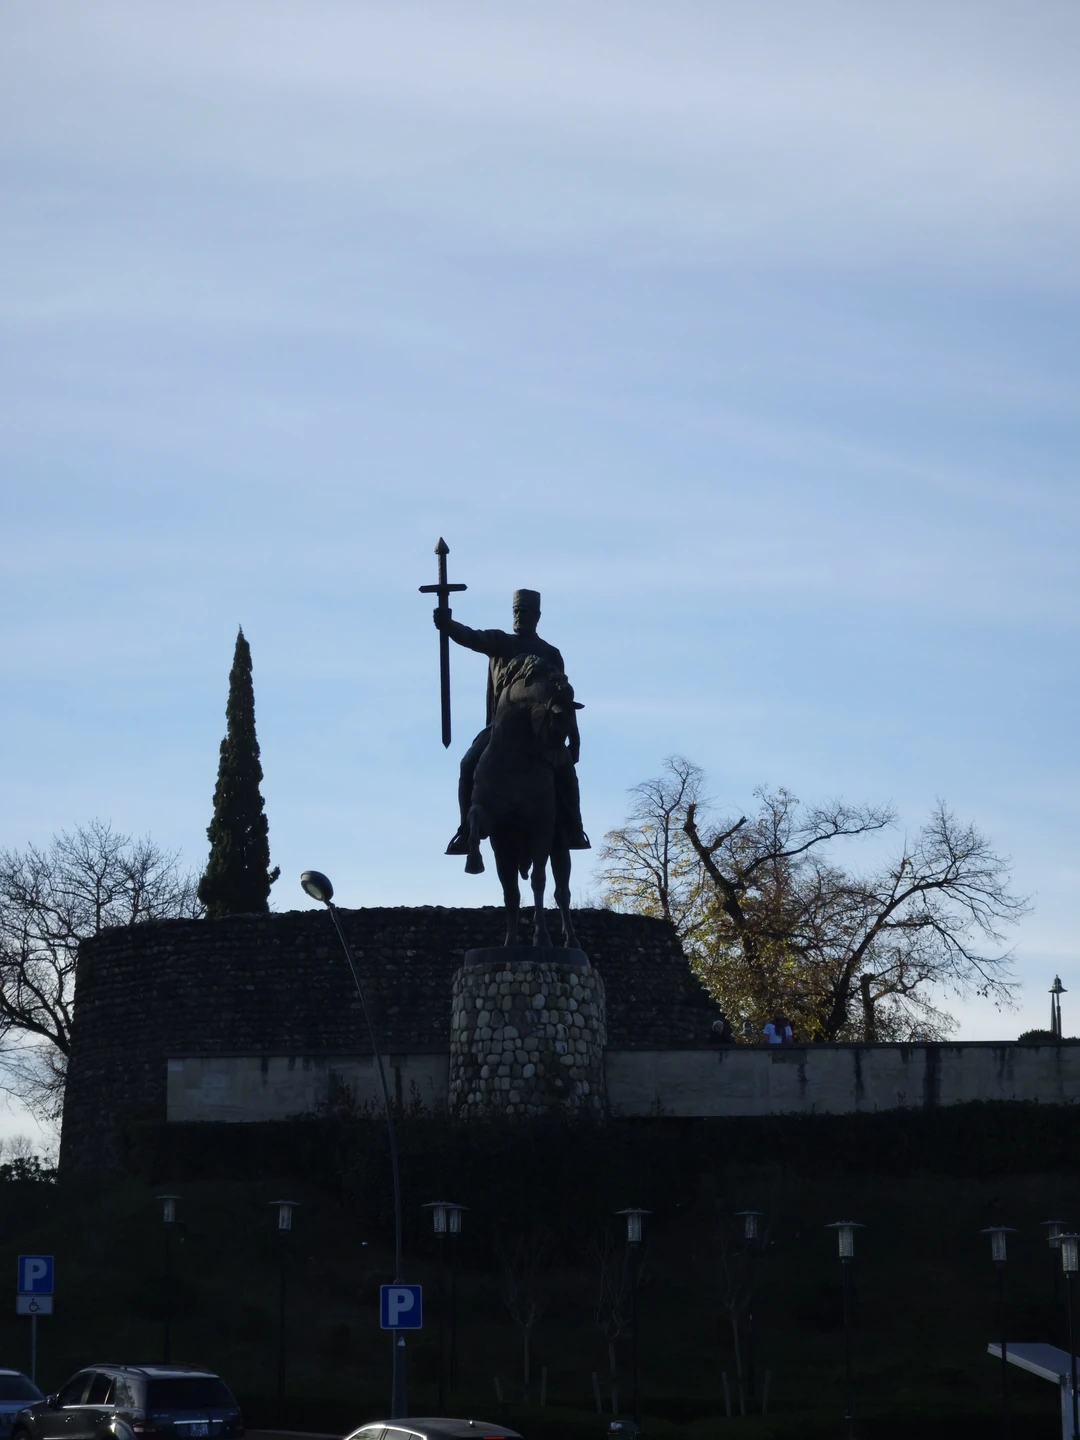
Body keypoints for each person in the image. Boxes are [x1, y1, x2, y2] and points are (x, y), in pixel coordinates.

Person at [435, 588, 590, 855]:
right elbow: (470, 637)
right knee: (467, 763)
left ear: (537, 616)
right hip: (499, 728)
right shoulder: (500, 641)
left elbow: (563, 696)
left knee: (567, 772)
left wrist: (574, 738)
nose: (520, 616)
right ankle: (464, 829)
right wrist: (448, 624)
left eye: (525, 612)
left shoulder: (551, 653)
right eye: (516, 611)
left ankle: (574, 828)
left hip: (541, 733)